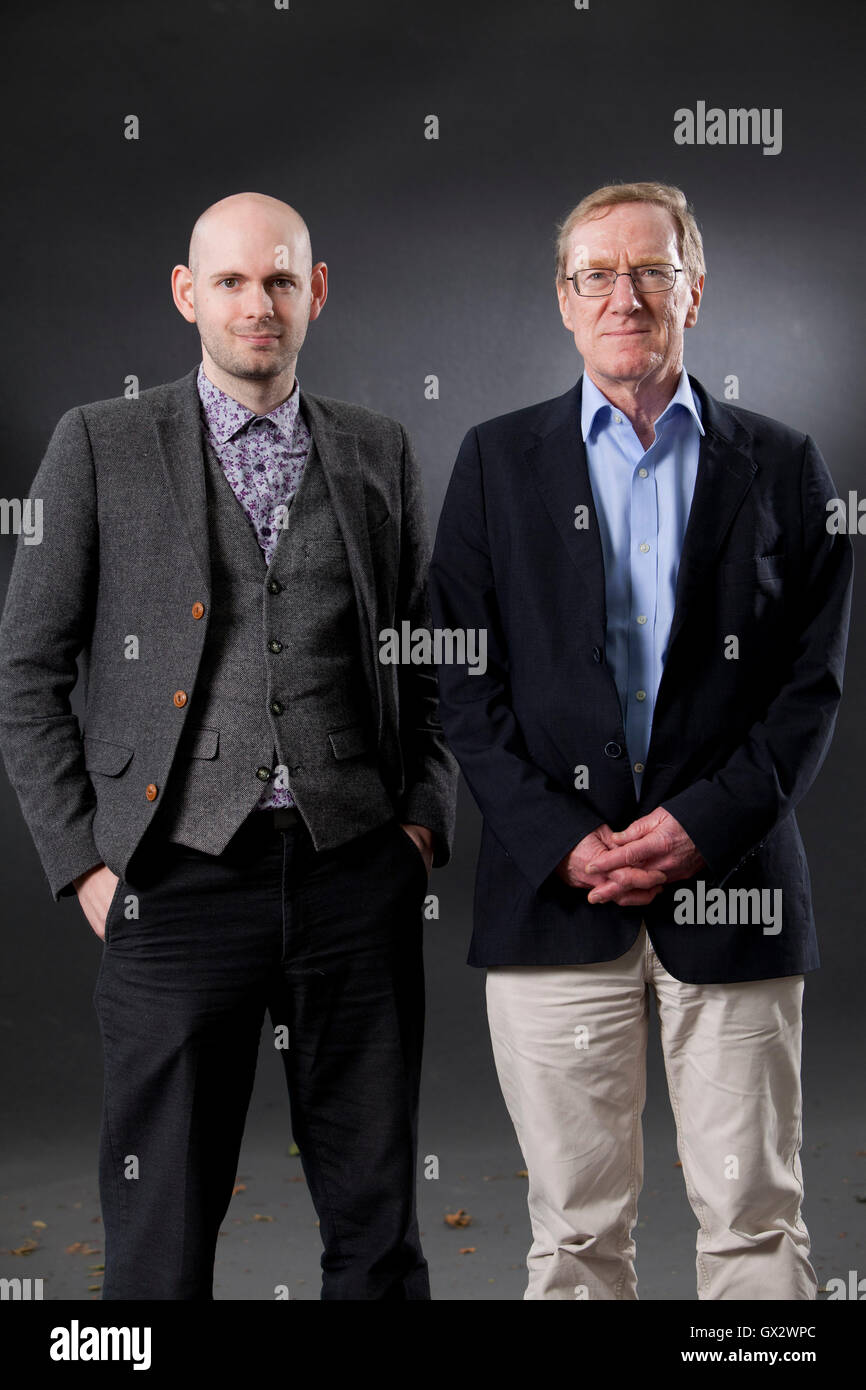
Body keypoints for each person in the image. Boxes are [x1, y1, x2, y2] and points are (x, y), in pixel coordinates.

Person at [0, 191, 457, 1300]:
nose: (260, 303)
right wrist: (89, 866)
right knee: (157, 1232)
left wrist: (419, 828)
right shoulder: (98, 443)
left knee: (375, 1218)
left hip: (353, 871)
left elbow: (430, 656)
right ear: (186, 294)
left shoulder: (376, 449)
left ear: (318, 292)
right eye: (234, 281)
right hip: (174, 876)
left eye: (282, 280)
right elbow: (27, 671)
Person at [429, 180, 853, 1300]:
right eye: (595, 275)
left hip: (735, 890)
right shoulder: (492, 464)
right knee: (573, 1236)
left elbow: (807, 690)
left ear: (693, 292)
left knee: (755, 1223)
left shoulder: (783, 465)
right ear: (563, 303)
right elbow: (460, 688)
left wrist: (701, 825)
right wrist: (559, 839)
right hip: (548, 898)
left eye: (650, 271)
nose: (625, 295)